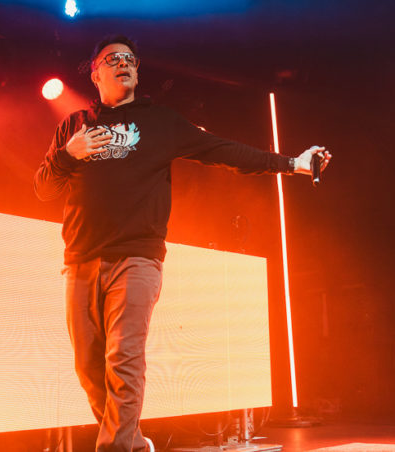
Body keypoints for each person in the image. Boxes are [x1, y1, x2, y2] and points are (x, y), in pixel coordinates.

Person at [34, 35, 331, 452]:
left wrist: (290, 163)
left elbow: (224, 150)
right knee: (88, 369)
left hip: (136, 258)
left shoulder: (161, 123)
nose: (123, 63)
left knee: (123, 360)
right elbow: (44, 189)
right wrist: (68, 154)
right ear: (95, 73)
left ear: (137, 71)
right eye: (112, 58)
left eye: (130, 58)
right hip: (80, 259)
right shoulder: (74, 125)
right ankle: (133, 443)